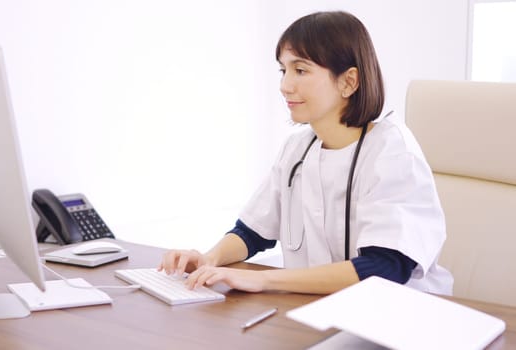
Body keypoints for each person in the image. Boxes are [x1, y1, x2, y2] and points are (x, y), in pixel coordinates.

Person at [158, 11, 453, 295]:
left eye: (300, 70)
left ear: (349, 81)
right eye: (283, 70)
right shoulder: (297, 148)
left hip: (398, 319)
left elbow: (385, 267)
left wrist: (264, 280)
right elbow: (253, 232)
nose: (285, 86)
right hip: (319, 309)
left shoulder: (391, 152)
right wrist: (210, 258)